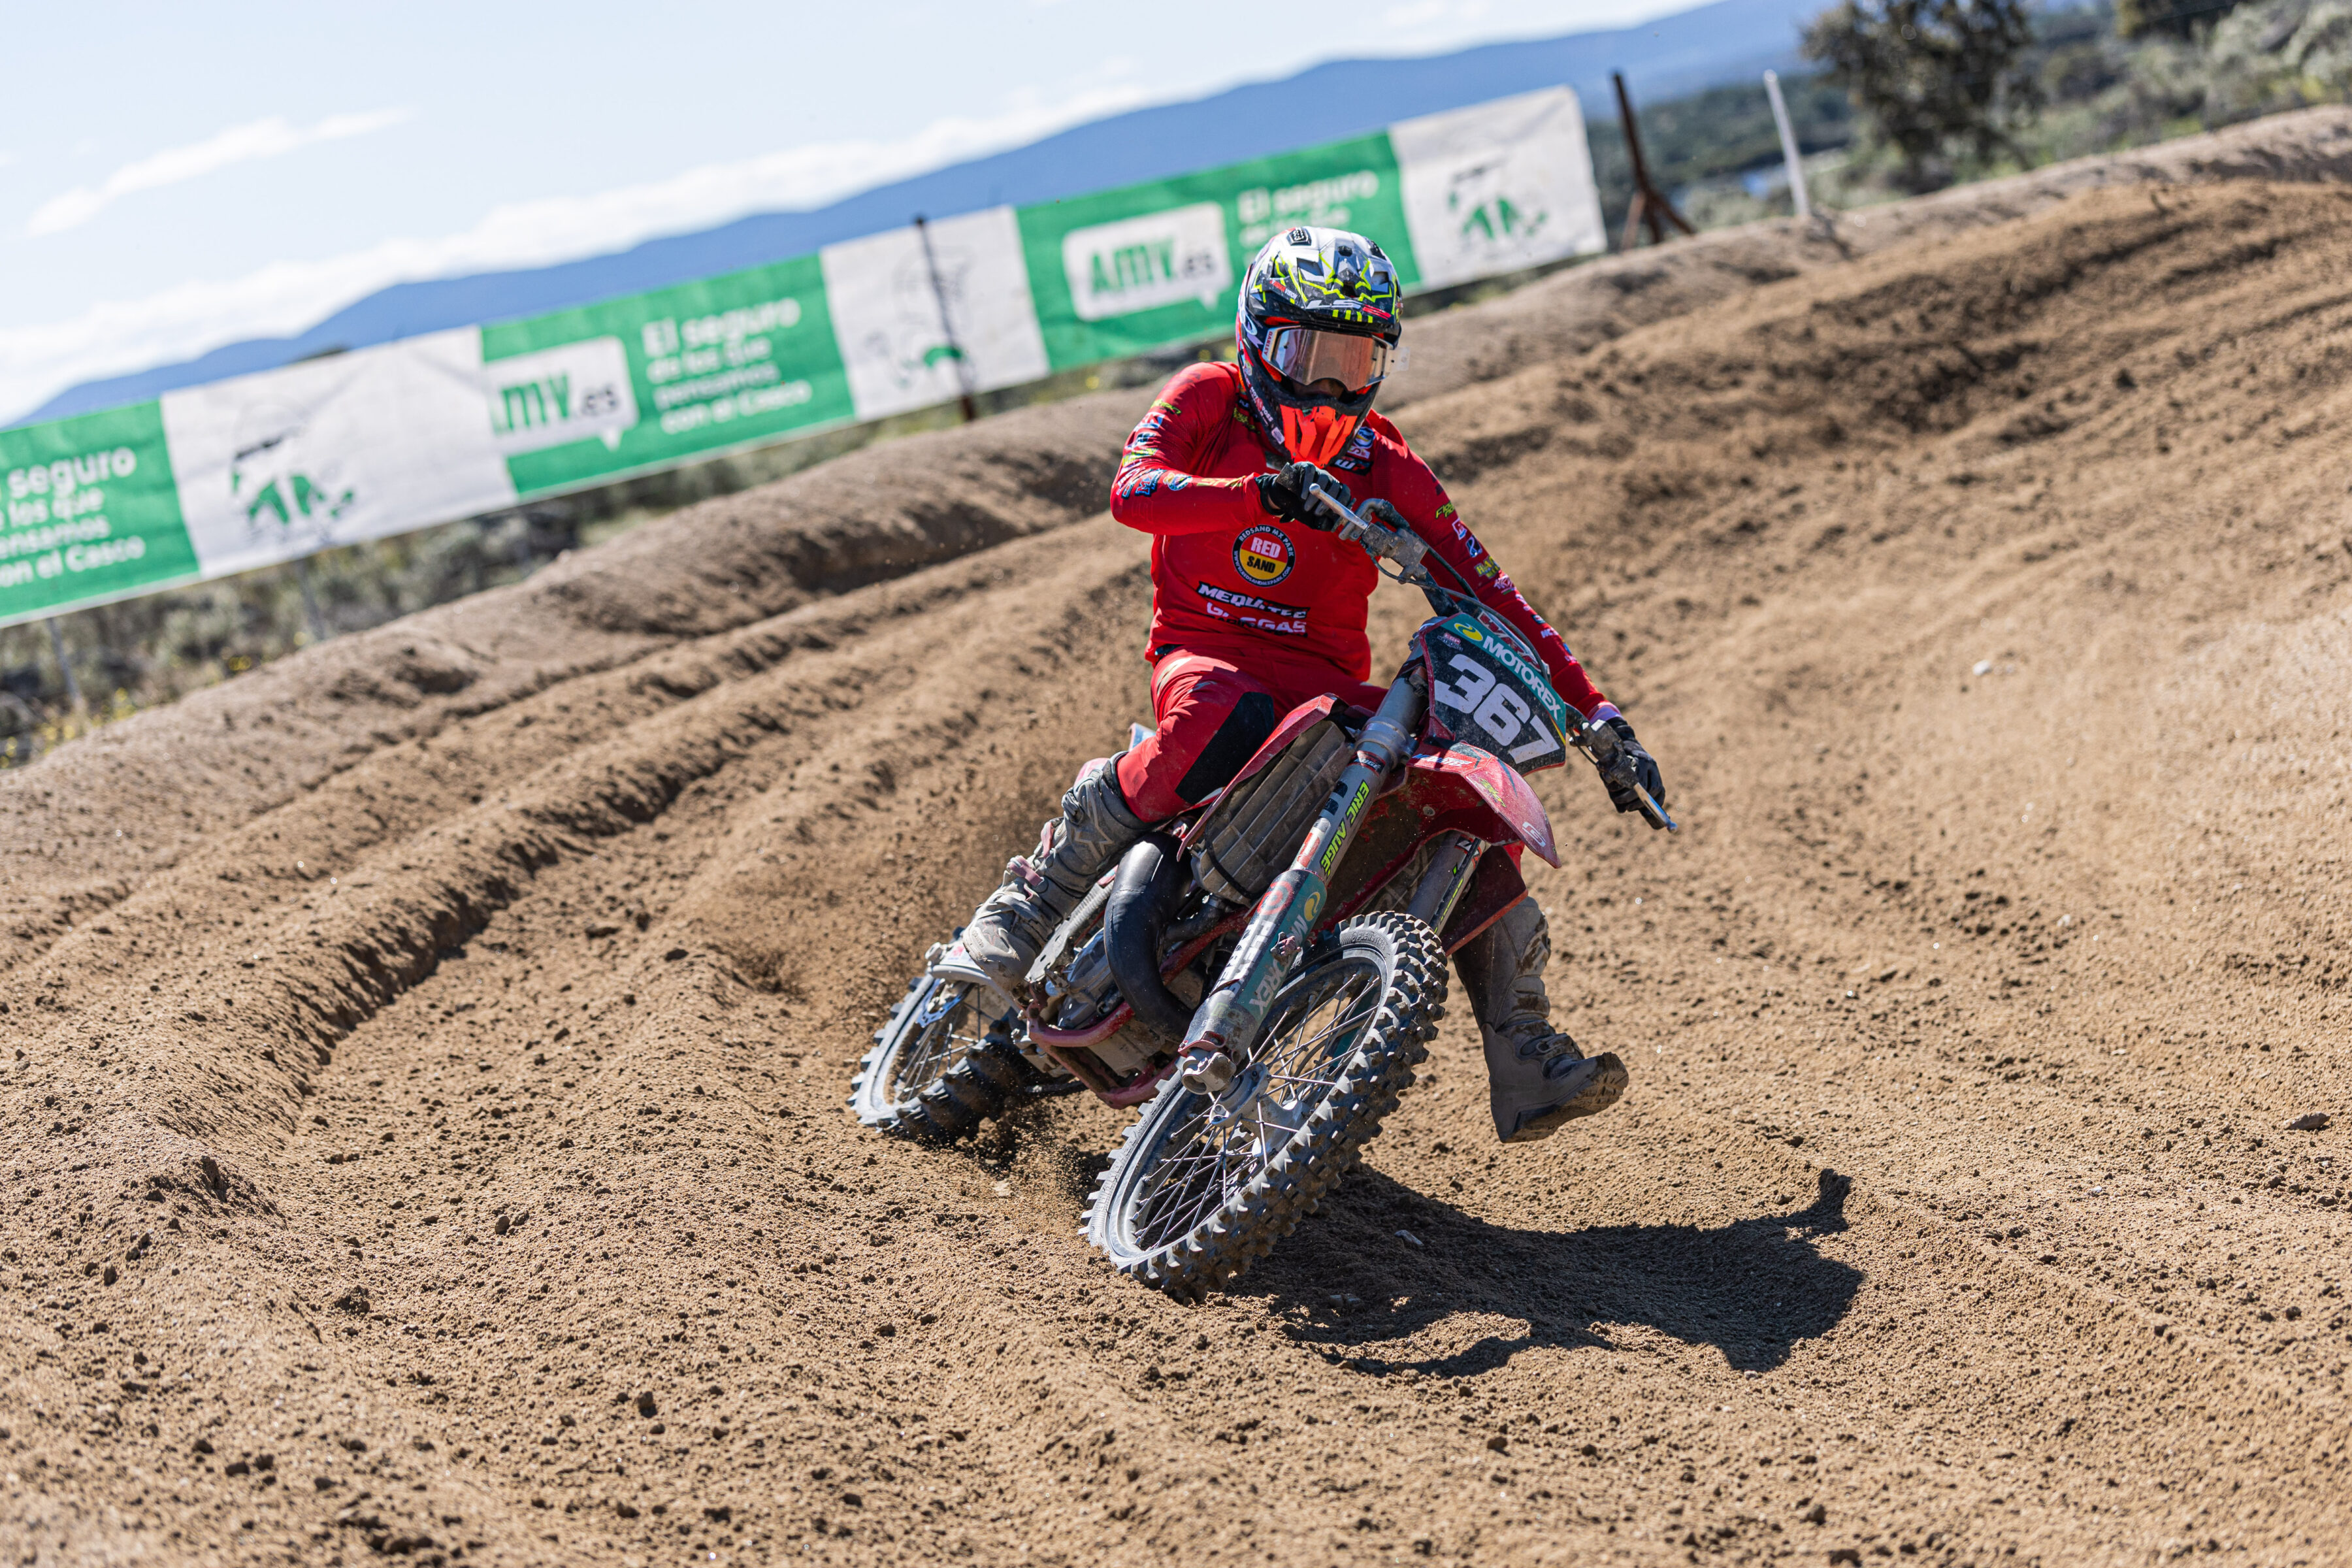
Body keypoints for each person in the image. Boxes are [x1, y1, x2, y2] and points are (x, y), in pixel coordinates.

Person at [962, 225, 1667, 1143]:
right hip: (1206, 652)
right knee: (1217, 711)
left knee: (1464, 786)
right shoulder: (1210, 397)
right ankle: (1027, 908)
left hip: (1322, 693)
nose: (1331, 387)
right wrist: (1261, 492)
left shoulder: (1386, 462)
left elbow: (1493, 593)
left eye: (1355, 361)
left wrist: (1600, 720)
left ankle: (1522, 1046)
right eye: (1309, 356)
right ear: (1259, 339)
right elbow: (1133, 492)